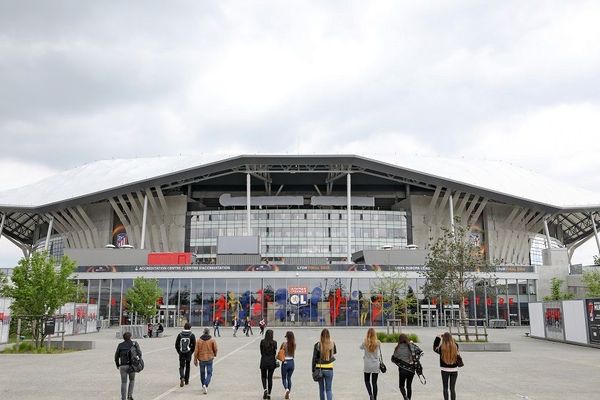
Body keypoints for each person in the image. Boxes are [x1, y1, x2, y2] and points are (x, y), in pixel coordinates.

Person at [393, 333, 423, 400]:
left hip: (402, 370)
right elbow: (420, 352)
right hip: (411, 370)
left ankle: (405, 397)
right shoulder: (411, 346)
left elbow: (394, 358)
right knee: (409, 386)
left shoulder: (397, 348)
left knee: (401, 386)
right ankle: (409, 398)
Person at [433, 332, 460, 400]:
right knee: (452, 388)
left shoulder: (442, 347)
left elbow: (434, 348)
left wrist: (438, 337)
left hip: (444, 370)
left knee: (445, 388)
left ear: (443, 339)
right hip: (454, 370)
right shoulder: (456, 346)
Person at [312, 328, 337, 400]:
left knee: (321, 389)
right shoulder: (332, 344)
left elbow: (314, 358)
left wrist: (313, 370)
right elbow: (335, 352)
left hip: (319, 369)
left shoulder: (317, 345)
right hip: (329, 369)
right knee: (329, 389)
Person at [114, 331, 140, 400]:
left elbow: (116, 356)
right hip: (132, 365)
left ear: (123, 338)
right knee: (132, 380)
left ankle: (123, 398)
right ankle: (129, 396)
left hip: (123, 366)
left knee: (123, 382)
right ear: (130, 337)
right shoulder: (134, 344)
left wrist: (117, 364)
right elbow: (139, 353)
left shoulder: (120, 345)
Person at [194, 327, 218, 394]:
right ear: (209, 332)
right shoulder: (212, 340)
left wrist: (195, 359)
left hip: (201, 359)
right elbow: (215, 348)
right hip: (209, 358)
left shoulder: (199, 340)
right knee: (209, 373)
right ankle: (206, 384)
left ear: (203, 332)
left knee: (202, 373)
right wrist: (215, 354)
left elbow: (196, 351)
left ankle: (203, 385)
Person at [360, 328, 381, 400]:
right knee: (374, 382)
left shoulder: (365, 342)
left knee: (366, 380)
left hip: (367, 364)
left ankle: (370, 395)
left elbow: (361, 347)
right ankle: (375, 398)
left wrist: (366, 340)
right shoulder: (378, 342)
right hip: (375, 364)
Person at [175, 322, 196, 387]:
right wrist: (191, 352)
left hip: (181, 352)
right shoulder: (192, 335)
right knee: (188, 366)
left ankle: (182, 377)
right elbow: (194, 345)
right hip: (188, 352)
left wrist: (179, 351)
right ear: (190, 327)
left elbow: (176, 345)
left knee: (181, 366)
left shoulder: (180, 335)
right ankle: (186, 381)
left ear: (184, 327)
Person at [260, 329, 277, 399]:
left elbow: (261, 352)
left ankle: (265, 389)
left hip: (264, 361)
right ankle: (269, 394)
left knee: (263, 376)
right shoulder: (274, 342)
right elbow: (275, 352)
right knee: (270, 378)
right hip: (271, 362)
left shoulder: (262, 342)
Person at [280, 331, 296, 399]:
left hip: (285, 362)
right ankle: (288, 393)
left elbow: (280, 351)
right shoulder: (294, 344)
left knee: (284, 378)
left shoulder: (284, 344)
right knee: (289, 378)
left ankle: (286, 389)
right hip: (292, 362)